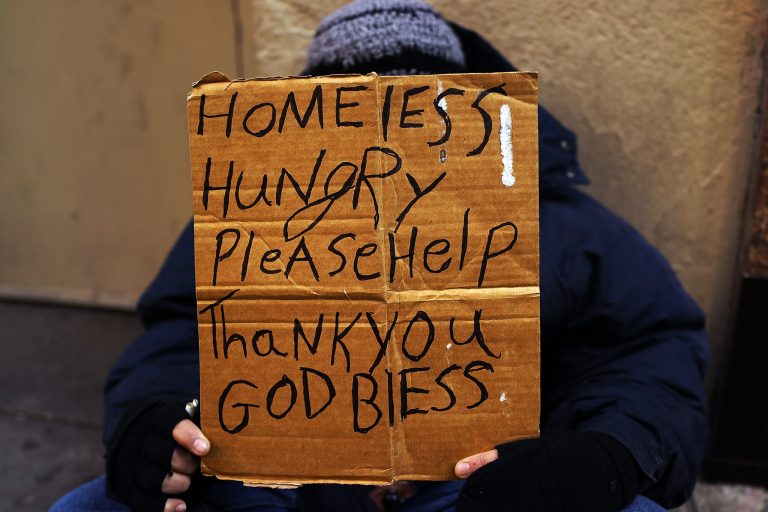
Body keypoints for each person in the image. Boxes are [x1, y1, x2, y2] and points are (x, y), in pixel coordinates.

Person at [50, 1, 708, 511]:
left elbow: (647, 349)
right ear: (307, 121)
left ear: (465, 112)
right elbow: (179, 333)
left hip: (480, 491)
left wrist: (606, 453)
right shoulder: (247, 219)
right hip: (281, 487)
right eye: (355, 123)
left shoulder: (557, 221)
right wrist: (155, 420)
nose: (389, 155)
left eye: (417, 119)